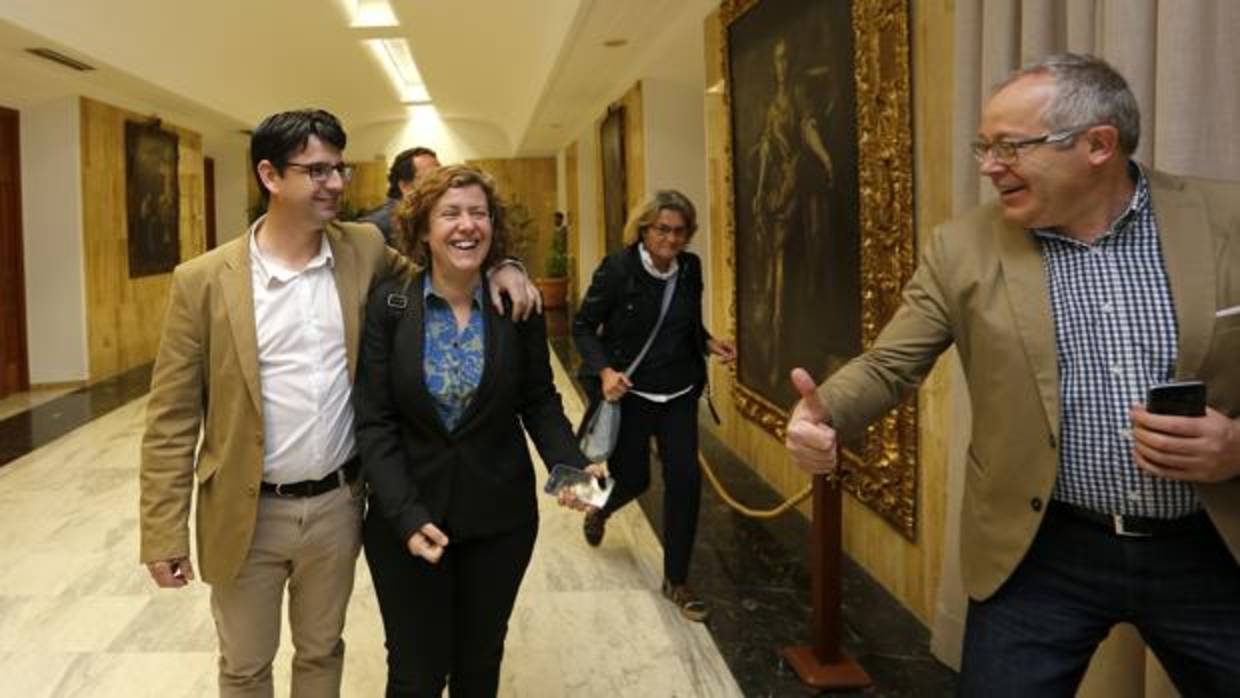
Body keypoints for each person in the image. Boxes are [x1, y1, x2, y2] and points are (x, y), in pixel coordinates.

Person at [783, 53, 1240, 696]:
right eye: (983, 146)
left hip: (1212, 544)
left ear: (1097, 144)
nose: (989, 166)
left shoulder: (1227, 220)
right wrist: (820, 412)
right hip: (1042, 550)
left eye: (1010, 147)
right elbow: (889, 364)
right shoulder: (962, 247)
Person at [138, 111, 538, 697]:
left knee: (322, 652)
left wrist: (507, 265)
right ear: (270, 175)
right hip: (249, 509)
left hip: (338, 504)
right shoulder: (202, 282)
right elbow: (171, 418)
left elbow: (448, 270)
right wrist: (161, 530)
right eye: (317, 170)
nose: (335, 184)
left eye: (339, 169)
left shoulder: (363, 249)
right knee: (245, 665)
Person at [354, 164, 598, 697]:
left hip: (499, 520)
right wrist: (406, 515)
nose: (467, 225)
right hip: (407, 521)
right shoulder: (390, 307)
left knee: (479, 663)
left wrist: (571, 471)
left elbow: (538, 400)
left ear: (493, 226)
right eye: (450, 214)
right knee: (415, 673)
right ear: (423, 230)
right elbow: (374, 422)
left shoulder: (517, 305)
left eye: (478, 213)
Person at [572, 189, 737, 622]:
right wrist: (606, 371)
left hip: (679, 393)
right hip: (631, 394)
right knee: (635, 479)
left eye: (681, 231)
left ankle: (677, 580)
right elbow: (584, 326)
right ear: (644, 229)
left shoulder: (690, 268)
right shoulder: (618, 268)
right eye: (663, 229)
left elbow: (683, 322)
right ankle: (600, 508)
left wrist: (708, 341)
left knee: (685, 480)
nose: (672, 239)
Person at [361, 146, 441, 243]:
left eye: (441, 174)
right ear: (405, 187)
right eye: (432, 178)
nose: (442, 182)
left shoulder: (423, 216)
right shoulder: (374, 227)